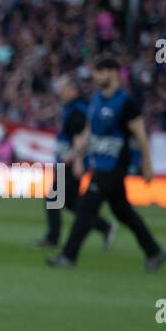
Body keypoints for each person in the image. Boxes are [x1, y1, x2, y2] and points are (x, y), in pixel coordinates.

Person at [49, 55, 166, 272]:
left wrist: (147, 165)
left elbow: (140, 134)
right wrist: (75, 154)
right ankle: (155, 252)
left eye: (100, 71)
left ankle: (68, 256)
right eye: (95, 72)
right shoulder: (95, 100)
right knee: (123, 212)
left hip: (113, 166)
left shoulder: (125, 102)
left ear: (113, 72)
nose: (96, 76)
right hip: (100, 163)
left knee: (86, 207)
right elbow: (88, 133)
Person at [36, 75, 113, 250]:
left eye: (63, 88)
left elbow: (80, 137)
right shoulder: (73, 107)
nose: (60, 92)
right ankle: (103, 226)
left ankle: (52, 238)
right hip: (70, 160)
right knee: (70, 202)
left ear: (73, 90)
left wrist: (77, 160)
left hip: (72, 162)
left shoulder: (77, 110)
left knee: (53, 198)